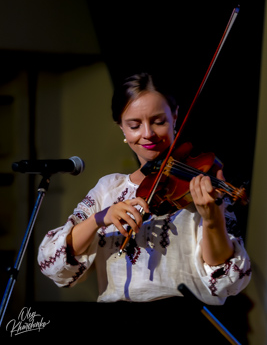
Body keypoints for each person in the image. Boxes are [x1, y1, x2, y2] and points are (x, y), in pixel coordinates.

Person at [38, 73, 251, 307]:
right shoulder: (109, 188)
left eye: (159, 121)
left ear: (175, 117)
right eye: (134, 125)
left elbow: (227, 282)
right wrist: (100, 218)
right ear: (121, 128)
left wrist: (212, 220)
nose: (148, 133)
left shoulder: (203, 188)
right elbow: (53, 264)